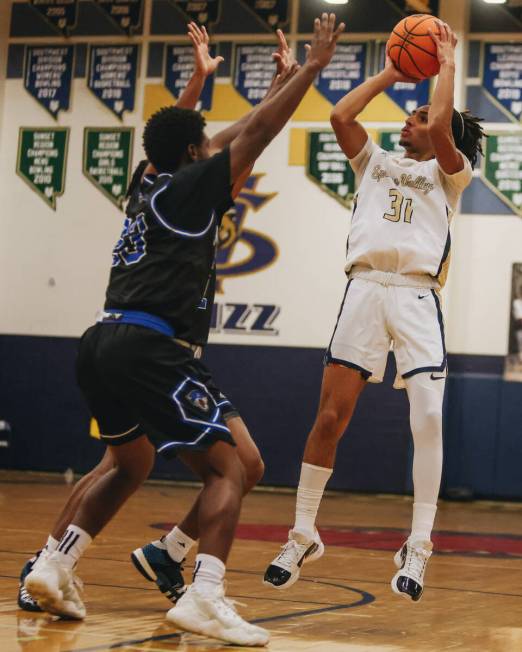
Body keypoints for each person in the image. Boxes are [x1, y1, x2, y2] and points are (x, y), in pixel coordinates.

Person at [24, 13, 345, 647]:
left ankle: (55, 565)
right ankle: (204, 594)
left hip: (104, 342)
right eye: (206, 144)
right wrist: (308, 70)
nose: (214, 148)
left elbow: (209, 136)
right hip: (153, 346)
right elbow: (250, 134)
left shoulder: (149, 184)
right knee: (228, 469)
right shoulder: (194, 185)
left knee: (129, 462)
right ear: (197, 154)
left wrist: (265, 87)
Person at [264, 22, 485, 602]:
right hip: (363, 289)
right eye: (408, 116)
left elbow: (440, 122)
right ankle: (303, 532)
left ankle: (419, 543)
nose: (408, 121)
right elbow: (340, 116)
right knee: (330, 418)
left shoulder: (450, 173)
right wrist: (394, 66)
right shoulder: (375, 161)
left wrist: (442, 64)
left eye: (414, 116)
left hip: (414, 296)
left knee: (428, 418)